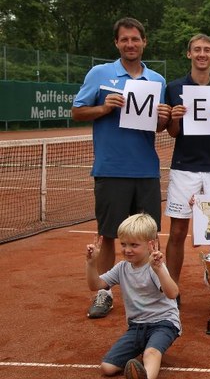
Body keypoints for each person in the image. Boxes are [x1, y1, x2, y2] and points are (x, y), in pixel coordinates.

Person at [72, 17, 171, 319]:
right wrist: (104, 107)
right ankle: (104, 294)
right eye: (124, 39)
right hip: (111, 169)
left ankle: (153, 289)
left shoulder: (157, 80)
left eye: (135, 39)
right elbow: (77, 111)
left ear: (144, 42)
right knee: (107, 235)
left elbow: (158, 127)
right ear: (116, 43)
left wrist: (165, 116)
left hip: (145, 171)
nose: (130, 44)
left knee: (150, 235)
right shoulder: (99, 74)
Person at [164, 34, 210, 292]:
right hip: (184, 168)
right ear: (189, 54)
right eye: (197, 50)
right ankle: (170, 288)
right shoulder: (174, 88)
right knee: (177, 230)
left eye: (207, 50)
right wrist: (174, 118)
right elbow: (172, 132)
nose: (202, 54)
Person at [85, 213, 180, 379]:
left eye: (134, 245)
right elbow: (96, 285)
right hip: (136, 326)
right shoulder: (122, 267)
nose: (127, 250)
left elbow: (173, 293)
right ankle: (143, 350)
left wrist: (159, 270)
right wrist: (92, 263)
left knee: (151, 354)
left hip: (164, 323)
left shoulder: (155, 266)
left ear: (151, 244)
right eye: (123, 244)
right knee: (107, 367)